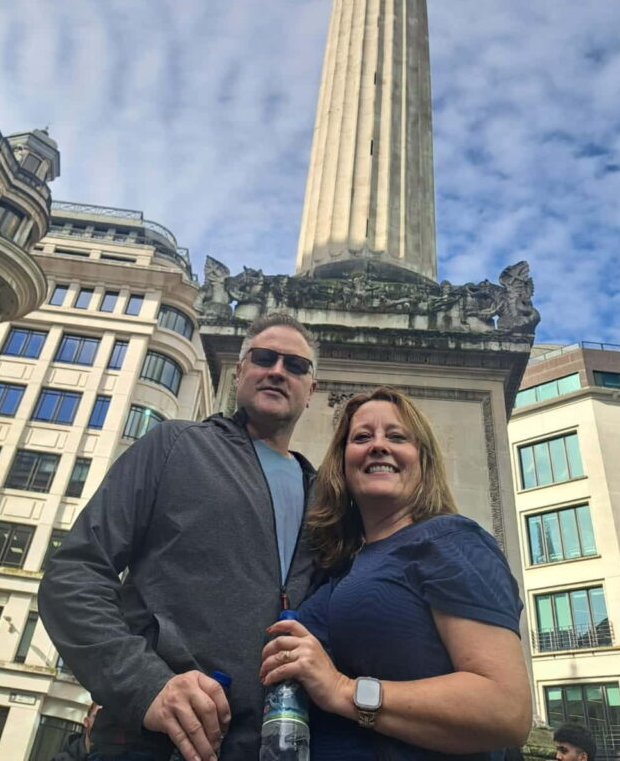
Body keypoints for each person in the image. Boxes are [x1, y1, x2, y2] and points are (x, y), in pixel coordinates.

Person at [39, 312, 320, 761]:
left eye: (295, 365)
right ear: (241, 370)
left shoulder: (322, 496)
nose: (277, 371)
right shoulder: (176, 444)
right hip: (157, 744)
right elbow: (73, 574)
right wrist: (147, 685)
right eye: (264, 358)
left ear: (312, 390)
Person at [260, 385, 532, 761]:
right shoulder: (342, 564)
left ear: (423, 459)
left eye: (397, 436)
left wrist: (343, 690)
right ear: (341, 462)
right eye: (361, 437)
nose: (378, 445)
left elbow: (506, 709)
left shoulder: (450, 539)